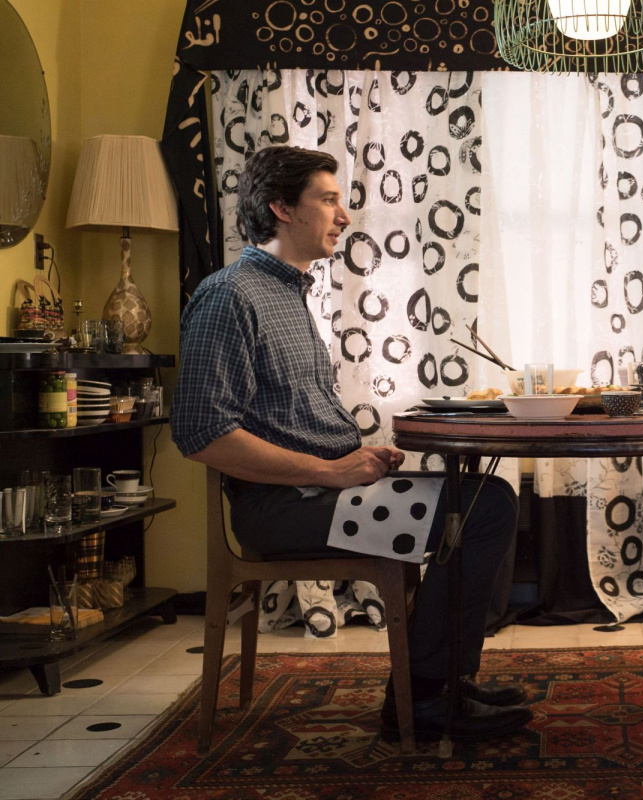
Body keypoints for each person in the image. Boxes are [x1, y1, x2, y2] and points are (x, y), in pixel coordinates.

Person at [172, 145, 532, 743]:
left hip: (320, 491)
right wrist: (331, 472)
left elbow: (288, 418)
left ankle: (441, 682)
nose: (344, 216)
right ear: (281, 207)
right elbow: (201, 434)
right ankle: (425, 697)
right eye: (329, 200)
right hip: (280, 509)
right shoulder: (229, 296)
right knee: (483, 507)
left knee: (482, 496)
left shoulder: (286, 292)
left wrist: (353, 461)